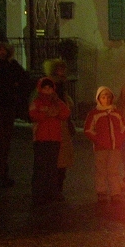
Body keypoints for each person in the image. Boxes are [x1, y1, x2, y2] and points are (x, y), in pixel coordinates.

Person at [28, 77, 71, 206]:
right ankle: (38, 194)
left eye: (49, 88)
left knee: (52, 168)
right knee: (40, 167)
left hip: (54, 139)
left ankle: (51, 193)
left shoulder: (57, 102)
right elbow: (32, 115)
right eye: (45, 88)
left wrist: (56, 112)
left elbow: (66, 113)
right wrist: (46, 114)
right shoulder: (37, 102)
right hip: (41, 139)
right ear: (40, 88)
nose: (47, 90)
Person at [84, 86, 125, 203]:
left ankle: (115, 193)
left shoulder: (116, 113)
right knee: (101, 170)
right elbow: (88, 130)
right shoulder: (94, 114)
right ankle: (102, 192)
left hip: (115, 148)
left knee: (113, 170)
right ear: (99, 98)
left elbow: (124, 128)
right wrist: (98, 140)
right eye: (103, 97)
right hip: (100, 148)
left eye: (109, 97)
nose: (106, 99)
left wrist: (119, 140)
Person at [0, 40, 30, 189]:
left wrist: (15, 90)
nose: (2, 52)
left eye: (4, 49)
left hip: (7, 107)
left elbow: (24, 79)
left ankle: (2, 173)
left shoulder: (12, 65)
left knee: (4, 142)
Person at [43, 58, 75, 195]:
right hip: (55, 126)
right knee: (57, 159)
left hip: (62, 125)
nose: (62, 71)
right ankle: (55, 189)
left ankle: (57, 188)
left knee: (61, 159)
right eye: (59, 68)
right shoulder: (52, 85)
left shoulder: (62, 84)